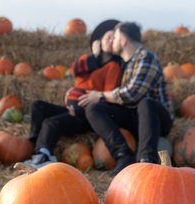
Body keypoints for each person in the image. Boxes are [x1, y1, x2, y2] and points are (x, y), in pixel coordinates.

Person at [78, 22, 174, 176]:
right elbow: (98, 81)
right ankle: (124, 156)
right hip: (134, 116)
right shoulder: (122, 64)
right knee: (94, 109)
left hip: (156, 118)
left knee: (146, 102)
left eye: (114, 37)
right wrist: (76, 91)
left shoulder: (146, 57)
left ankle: (145, 160)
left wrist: (100, 95)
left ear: (123, 41)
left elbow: (132, 93)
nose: (112, 41)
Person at [24, 19, 123, 168]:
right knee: (38, 106)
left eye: (113, 38)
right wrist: (94, 56)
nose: (110, 40)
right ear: (99, 41)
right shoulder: (87, 60)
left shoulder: (113, 67)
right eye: (107, 37)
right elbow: (75, 70)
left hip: (86, 114)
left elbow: (108, 96)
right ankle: (34, 148)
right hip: (72, 109)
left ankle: (44, 156)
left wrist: (79, 108)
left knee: (51, 123)